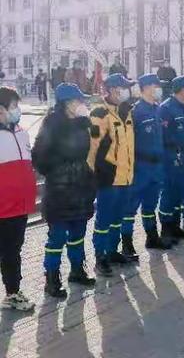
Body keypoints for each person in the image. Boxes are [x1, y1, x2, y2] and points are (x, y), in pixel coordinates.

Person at [32, 84, 97, 298]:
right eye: (79, 101)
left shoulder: (82, 124)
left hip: (80, 187)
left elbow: (85, 151)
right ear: (68, 103)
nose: (82, 104)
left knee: (78, 234)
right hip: (60, 190)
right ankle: (52, 279)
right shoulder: (52, 124)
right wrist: (60, 168)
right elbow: (39, 157)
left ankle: (77, 270)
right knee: (57, 237)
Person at [89, 73, 136, 276]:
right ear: (110, 90)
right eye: (121, 87)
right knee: (104, 219)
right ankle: (100, 257)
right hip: (108, 178)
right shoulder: (100, 113)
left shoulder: (126, 111)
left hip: (125, 176)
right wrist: (94, 174)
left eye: (126, 87)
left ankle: (112, 250)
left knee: (118, 217)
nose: (125, 91)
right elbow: (92, 147)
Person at [121, 74, 171, 258]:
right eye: (156, 86)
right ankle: (126, 244)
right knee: (130, 208)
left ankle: (152, 236)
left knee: (151, 205)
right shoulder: (135, 112)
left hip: (156, 167)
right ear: (146, 87)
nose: (159, 89)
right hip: (140, 166)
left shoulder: (158, 110)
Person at [0, 87, 36, 311]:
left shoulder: (22, 132)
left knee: (13, 251)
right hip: (2, 206)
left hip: (20, 205)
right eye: (13, 106)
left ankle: (12, 293)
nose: (17, 110)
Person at [158, 76, 184, 242]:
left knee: (180, 191)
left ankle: (175, 225)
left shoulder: (183, 107)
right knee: (169, 191)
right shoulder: (166, 108)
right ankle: (166, 229)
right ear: (182, 89)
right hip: (172, 156)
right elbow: (164, 136)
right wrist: (174, 153)